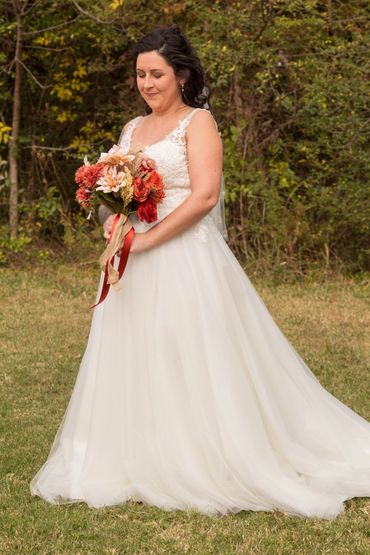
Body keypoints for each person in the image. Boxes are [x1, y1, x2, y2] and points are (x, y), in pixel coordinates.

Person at [30, 25, 370, 519]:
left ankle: (205, 454)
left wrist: (145, 240)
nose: (148, 84)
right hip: (133, 266)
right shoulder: (130, 129)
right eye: (141, 74)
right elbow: (111, 190)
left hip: (185, 257)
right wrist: (111, 223)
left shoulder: (198, 123)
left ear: (182, 75)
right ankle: (142, 451)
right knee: (139, 352)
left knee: (191, 351)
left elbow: (204, 196)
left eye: (157, 74)